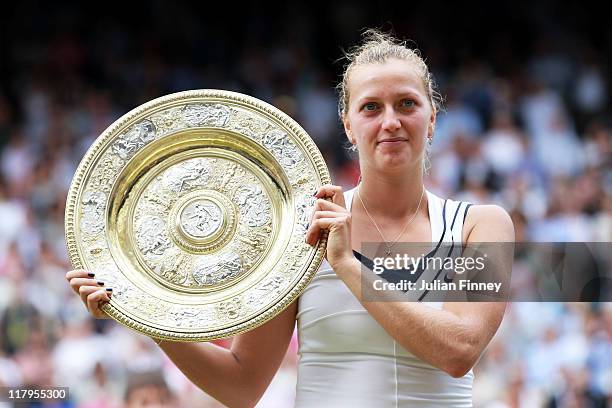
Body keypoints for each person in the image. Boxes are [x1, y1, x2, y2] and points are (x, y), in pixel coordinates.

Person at [67, 29, 514, 407]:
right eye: (371, 107)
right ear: (347, 125)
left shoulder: (482, 225)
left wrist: (348, 266)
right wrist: (140, 311)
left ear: (432, 118)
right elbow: (242, 384)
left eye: (407, 104)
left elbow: (460, 349)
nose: (390, 121)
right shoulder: (300, 228)